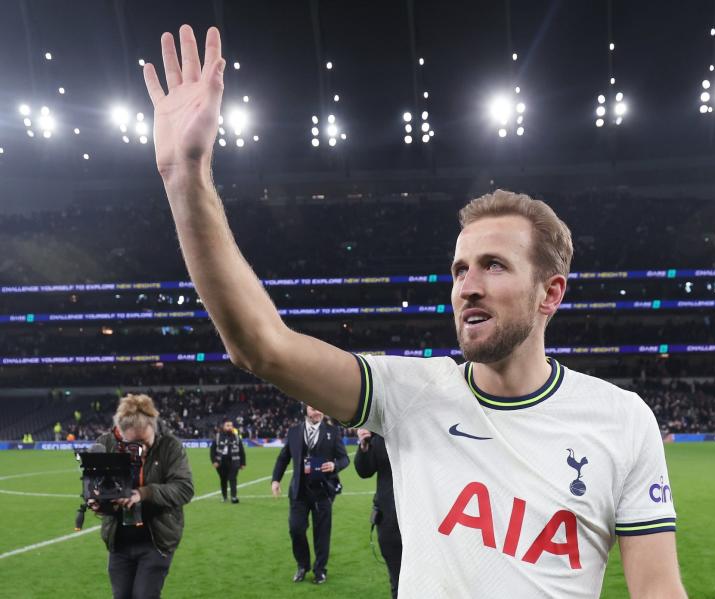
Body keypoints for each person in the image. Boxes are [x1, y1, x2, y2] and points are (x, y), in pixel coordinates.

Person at [143, 25, 685, 598]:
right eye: (459, 269)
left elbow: (657, 590)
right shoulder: (412, 393)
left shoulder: (622, 421)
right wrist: (186, 179)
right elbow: (260, 345)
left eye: (493, 266)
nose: (467, 286)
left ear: (551, 293)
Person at [88, 394, 194, 599]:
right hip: (119, 541)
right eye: (133, 445)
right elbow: (95, 489)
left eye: (145, 442)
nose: (141, 450)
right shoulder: (105, 444)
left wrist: (143, 494)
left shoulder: (170, 446)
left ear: (153, 427)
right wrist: (97, 502)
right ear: (120, 433)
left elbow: (184, 488)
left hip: (157, 539)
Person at [271, 405, 349, 584]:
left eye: (320, 408)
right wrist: (276, 480)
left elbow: (345, 458)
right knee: (296, 529)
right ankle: (302, 565)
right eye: (313, 408)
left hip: (323, 491)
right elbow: (284, 457)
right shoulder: (293, 432)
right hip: (299, 491)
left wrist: (334, 466)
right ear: (305, 410)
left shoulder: (333, 431)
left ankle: (320, 570)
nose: (317, 411)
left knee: (322, 534)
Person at [354, 428, 402, 599]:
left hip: (422, 520)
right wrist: (364, 446)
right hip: (389, 521)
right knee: (397, 581)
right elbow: (364, 471)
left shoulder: (421, 431)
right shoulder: (379, 434)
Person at [210, 418, 246, 503]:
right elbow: (212, 450)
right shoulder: (218, 437)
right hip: (221, 462)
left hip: (234, 462)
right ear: (223, 426)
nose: (230, 427)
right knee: (223, 479)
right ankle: (224, 497)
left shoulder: (236, 437)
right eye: (228, 425)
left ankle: (234, 497)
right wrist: (214, 461)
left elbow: (241, 450)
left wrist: (243, 463)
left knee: (233, 478)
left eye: (231, 426)